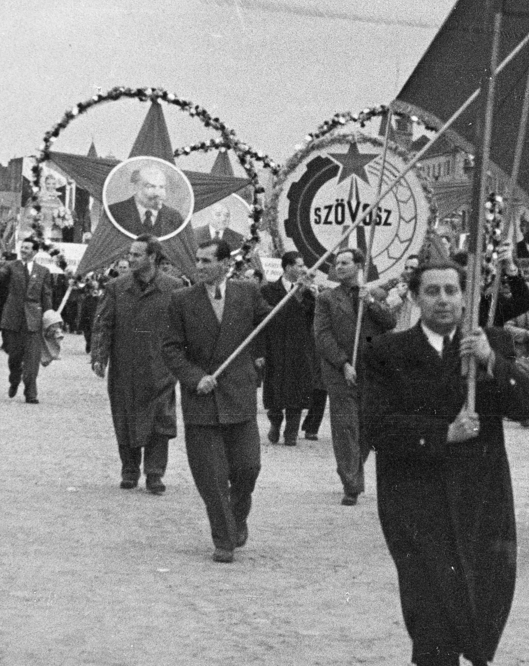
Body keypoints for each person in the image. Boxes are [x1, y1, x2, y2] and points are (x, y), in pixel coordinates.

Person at [362, 260, 529, 666]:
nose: (443, 300)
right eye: (433, 291)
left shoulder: (488, 343)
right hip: (414, 504)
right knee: (429, 614)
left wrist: (491, 361)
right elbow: (377, 427)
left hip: (478, 501)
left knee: (474, 602)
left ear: (466, 297)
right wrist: (442, 433)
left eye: (452, 291)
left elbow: (527, 405)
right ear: (415, 298)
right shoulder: (387, 352)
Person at [161, 239, 270, 562]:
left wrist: (300, 294)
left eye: (207, 261)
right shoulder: (182, 299)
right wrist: (195, 377)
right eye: (198, 260)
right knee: (211, 476)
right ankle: (224, 539)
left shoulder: (247, 292)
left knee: (248, 468)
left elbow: (272, 322)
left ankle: (237, 517)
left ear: (225, 264)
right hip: (202, 399)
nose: (200, 266)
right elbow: (170, 348)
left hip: (239, 395)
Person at [91, 235, 182, 492]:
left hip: (160, 367)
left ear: (152, 257)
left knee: (160, 420)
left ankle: (154, 473)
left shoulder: (174, 288)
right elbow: (103, 324)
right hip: (125, 366)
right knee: (125, 417)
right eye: (129, 254)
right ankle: (129, 470)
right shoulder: (116, 287)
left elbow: (182, 328)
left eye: (136, 255)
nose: (130, 259)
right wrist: (99, 357)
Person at [313, 247, 396, 505]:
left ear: (359, 267)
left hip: (370, 371)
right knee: (345, 426)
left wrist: (369, 302)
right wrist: (343, 364)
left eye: (345, 263)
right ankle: (352, 484)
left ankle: (353, 469)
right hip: (340, 372)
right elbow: (322, 335)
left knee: (366, 427)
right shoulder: (326, 298)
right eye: (337, 263)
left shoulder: (373, 295)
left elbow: (389, 323)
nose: (339, 267)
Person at [259, 250, 318, 447]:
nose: (304, 269)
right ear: (288, 267)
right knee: (274, 391)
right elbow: (262, 321)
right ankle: (275, 423)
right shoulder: (268, 290)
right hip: (275, 347)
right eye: (300, 265)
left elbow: (311, 317)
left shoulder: (308, 292)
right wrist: (260, 352)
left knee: (297, 391)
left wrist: (307, 295)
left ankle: (291, 432)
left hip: (299, 348)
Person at [0, 237, 56, 403]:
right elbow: (0, 281)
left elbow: (46, 296)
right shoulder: (11, 267)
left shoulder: (43, 271)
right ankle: (14, 379)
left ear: (35, 251)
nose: (23, 250)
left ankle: (31, 393)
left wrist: (49, 318)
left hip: (33, 320)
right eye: (22, 247)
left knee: (32, 359)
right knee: (14, 357)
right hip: (13, 318)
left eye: (27, 248)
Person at [107, 163, 187, 238]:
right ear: (135, 187)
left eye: (161, 187)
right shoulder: (113, 212)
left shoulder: (175, 217)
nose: (158, 193)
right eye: (150, 186)